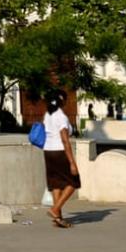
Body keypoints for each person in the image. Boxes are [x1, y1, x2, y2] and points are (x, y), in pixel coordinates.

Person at [41, 90, 81, 228]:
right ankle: (55, 209)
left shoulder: (47, 115)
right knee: (73, 182)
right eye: (65, 99)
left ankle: (58, 217)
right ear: (61, 101)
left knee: (56, 184)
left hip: (48, 151)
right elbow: (65, 140)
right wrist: (72, 162)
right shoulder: (61, 117)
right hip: (59, 152)